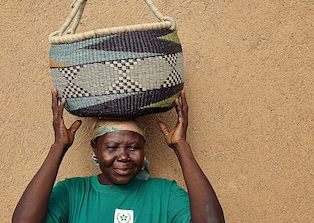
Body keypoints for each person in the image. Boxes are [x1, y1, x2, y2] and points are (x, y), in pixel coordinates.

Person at [12, 89, 225, 223]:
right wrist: (59, 146)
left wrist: (181, 146)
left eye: (133, 147)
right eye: (112, 147)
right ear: (95, 148)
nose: (123, 156)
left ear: (144, 148)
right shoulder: (73, 192)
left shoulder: (165, 194)